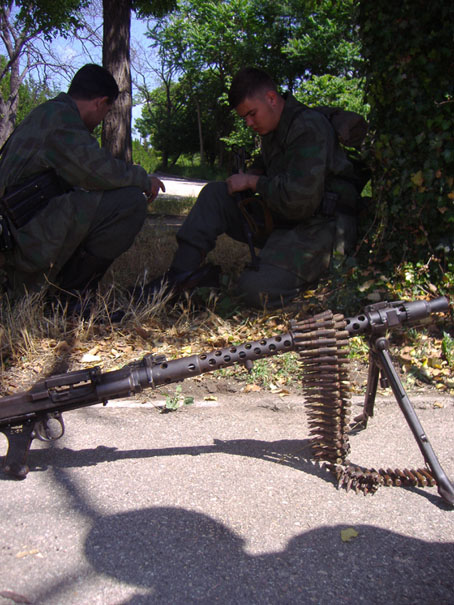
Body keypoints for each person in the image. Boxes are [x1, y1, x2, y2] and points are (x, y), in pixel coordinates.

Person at [140, 66, 358, 308]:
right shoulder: (274, 128)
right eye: (244, 117)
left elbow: (300, 201)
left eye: (252, 114)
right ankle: (179, 278)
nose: (249, 123)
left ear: (271, 98)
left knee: (255, 290)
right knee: (216, 194)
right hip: (287, 218)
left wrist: (252, 182)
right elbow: (270, 164)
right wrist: (253, 172)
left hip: (320, 227)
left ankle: (307, 282)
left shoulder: (308, 126)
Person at [0, 63, 164, 307]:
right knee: (129, 202)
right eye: (106, 112)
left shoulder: (47, 114)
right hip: (22, 243)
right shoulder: (62, 119)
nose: (102, 120)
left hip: (16, 236)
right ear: (100, 102)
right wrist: (143, 179)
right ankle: (69, 298)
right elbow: (98, 171)